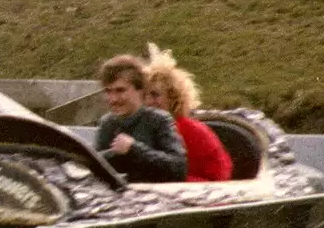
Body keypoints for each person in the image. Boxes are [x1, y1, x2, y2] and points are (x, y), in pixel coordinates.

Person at [143, 44, 233, 183]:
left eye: (155, 95)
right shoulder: (145, 127)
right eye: (144, 96)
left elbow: (220, 179)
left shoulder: (193, 130)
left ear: (173, 98)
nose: (148, 102)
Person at [93, 53, 187, 183]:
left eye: (120, 91)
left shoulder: (159, 120)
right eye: (108, 91)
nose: (113, 99)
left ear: (140, 90)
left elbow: (178, 168)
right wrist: (113, 154)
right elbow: (93, 167)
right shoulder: (107, 124)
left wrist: (134, 149)